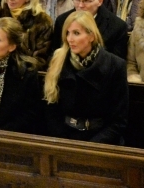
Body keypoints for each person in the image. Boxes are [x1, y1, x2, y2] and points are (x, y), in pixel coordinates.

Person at [42, 11, 129, 144]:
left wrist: (92, 146)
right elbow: (51, 108)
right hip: (65, 137)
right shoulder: (59, 60)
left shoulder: (115, 65)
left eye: (76, 33)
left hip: (101, 140)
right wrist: (63, 140)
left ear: (91, 36)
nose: (70, 39)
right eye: (67, 33)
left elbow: (119, 119)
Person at [53, 0, 129, 59]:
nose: (80, 5)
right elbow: (53, 56)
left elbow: (117, 65)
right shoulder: (62, 21)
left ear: (100, 1)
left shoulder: (117, 27)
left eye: (86, 1)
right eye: (77, 0)